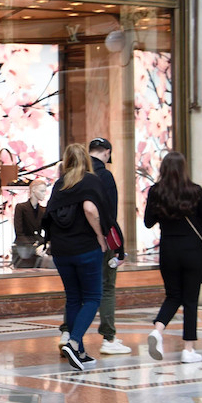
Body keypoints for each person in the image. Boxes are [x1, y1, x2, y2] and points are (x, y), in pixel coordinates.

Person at [43, 143, 115, 370]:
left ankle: (81, 352)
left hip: (61, 252)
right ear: (85, 158)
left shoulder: (59, 184)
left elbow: (49, 216)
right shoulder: (91, 181)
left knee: (73, 298)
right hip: (85, 248)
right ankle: (74, 342)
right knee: (93, 297)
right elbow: (90, 209)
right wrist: (100, 237)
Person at [144, 151, 202, 364]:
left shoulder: (156, 192)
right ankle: (188, 350)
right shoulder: (195, 191)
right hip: (193, 250)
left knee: (173, 295)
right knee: (190, 300)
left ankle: (158, 330)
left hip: (169, 249)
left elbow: (148, 222)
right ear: (184, 169)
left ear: (163, 169)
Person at [87, 137, 130, 355]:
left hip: (76, 242)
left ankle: (68, 334)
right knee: (107, 286)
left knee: (77, 291)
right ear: (107, 153)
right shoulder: (105, 176)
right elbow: (110, 214)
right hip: (101, 240)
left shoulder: (75, 175)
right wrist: (118, 244)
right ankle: (109, 337)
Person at [12, 178, 50, 268]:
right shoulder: (21, 208)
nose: (44, 194)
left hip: (38, 245)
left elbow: (48, 230)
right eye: (42, 191)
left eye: (45, 191)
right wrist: (35, 245)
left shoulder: (43, 210)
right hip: (24, 246)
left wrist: (46, 244)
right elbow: (19, 232)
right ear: (33, 190)